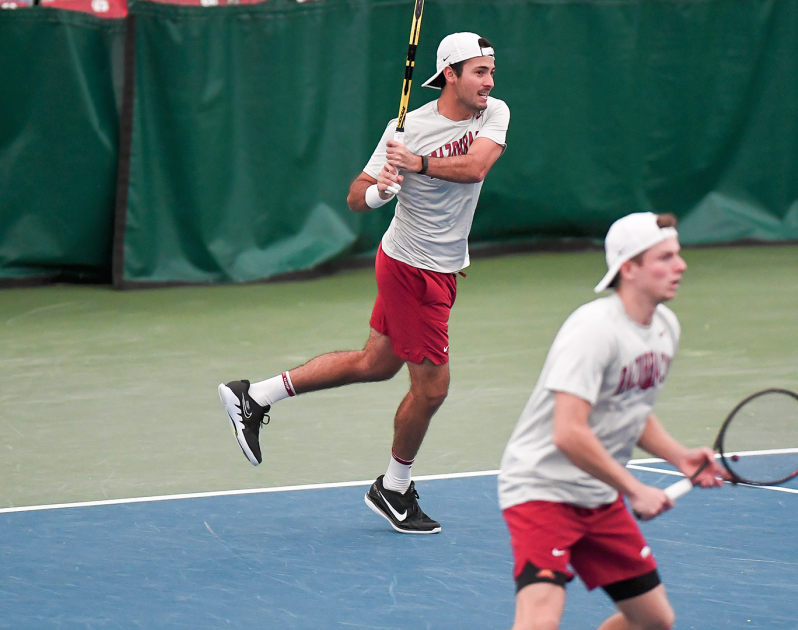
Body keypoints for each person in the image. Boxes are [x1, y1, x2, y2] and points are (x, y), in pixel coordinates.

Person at [218, 32, 509, 535]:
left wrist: (416, 164)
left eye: (490, 72)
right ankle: (393, 488)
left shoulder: (493, 113)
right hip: (411, 267)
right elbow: (355, 196)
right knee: (433, 389)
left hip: (441, 265)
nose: (488, 81)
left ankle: (255, 395)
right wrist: (380, 190)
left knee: (375, 364)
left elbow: (476, 166)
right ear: (450, 75)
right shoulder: (406, 128)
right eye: (479, 72)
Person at [497, 212, 727, 630]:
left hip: (598, 495)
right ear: (629, 269)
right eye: (665, 258)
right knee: (539, 621)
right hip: (542, 489)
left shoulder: (665, 329)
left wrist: (681, 457)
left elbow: (630, 410)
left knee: (653, 622)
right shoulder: (593, 330)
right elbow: (568, 432)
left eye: (678, 255)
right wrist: (636, 489)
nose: (681, 266)